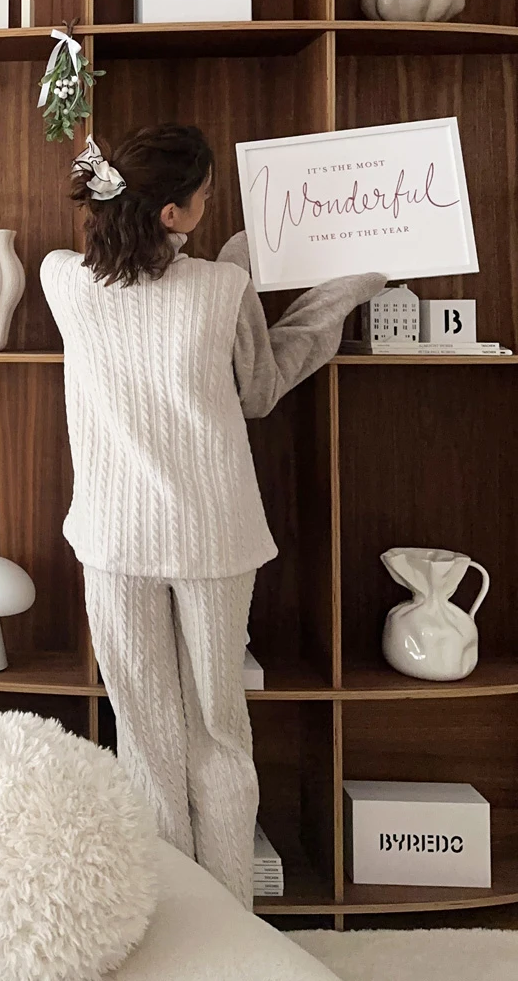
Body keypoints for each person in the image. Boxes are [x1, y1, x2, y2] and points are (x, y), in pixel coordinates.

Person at [41, 125, 385, 908]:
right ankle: (230, 919)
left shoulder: (61, 279)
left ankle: (171, 922)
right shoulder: (221, 286)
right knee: (220, 736)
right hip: (213, 538)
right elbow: (261, 390)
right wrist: (344, 289)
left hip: (114, 541)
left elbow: (110, 263)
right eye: (202, 196)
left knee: (146, 739)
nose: (210, 205)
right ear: (175, 214)